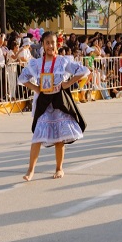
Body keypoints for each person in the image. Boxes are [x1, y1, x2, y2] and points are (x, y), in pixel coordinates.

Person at [18, 31, 90, 181]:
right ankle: (30, 170)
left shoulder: (63, 61)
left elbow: (83, 70)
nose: (50, 45)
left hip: (58, 101)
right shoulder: (36, 63)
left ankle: (59, 168)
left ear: (57, 44)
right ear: (43, 45)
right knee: (37, 136)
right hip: (44, 102)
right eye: (47, 43)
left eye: (53, 42)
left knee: (59, 137)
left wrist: (68, 83)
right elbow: (23, 77)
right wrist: (36, 88)